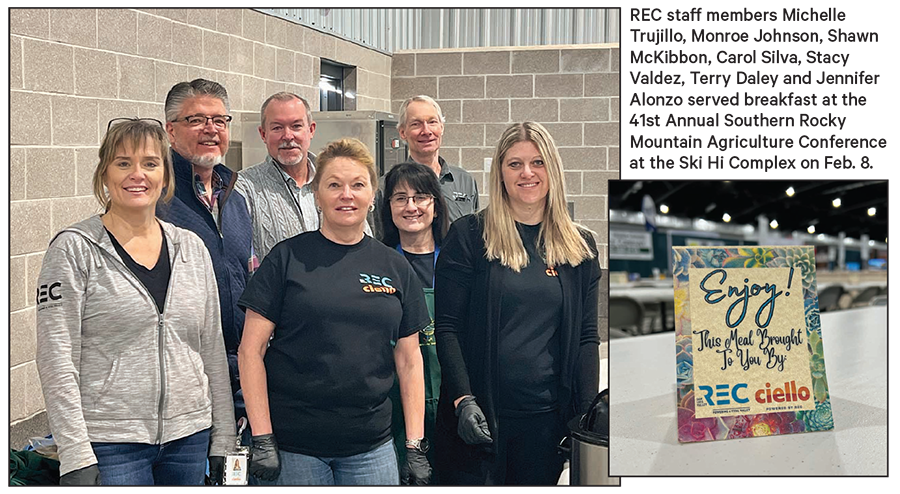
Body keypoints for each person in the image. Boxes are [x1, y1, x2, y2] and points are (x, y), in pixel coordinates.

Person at [35, 118, 235, 485]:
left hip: (189, 438)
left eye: (150, 163)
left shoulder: (191, 248)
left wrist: (223, 438)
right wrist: (75, 452)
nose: (137, 174)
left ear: (165, 175)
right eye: (123, 162)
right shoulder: (75, 249)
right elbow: (56, 358)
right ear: (105, 173)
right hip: (110, 444)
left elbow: (211, 349)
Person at [237, 138, 434, 485]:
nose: (347, 195)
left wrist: (414, 445)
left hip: (371, 448)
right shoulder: (286, 259)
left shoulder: (394, 266)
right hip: (296, 447)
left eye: (358, 185)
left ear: (372, 195)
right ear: (317, 195)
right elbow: (250, 351)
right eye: (334, 185)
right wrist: (262, 436)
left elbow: (409, 360)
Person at [433, 122, 601, 485]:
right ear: (500, 172)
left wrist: (588, 418)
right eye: (515, 164)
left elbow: (587, 337)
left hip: (547, 421)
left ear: (552, 169)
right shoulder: (470, 236)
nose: (527, 173)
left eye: (538, 162)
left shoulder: (580, 248)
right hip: (481, 418)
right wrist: (463, 399)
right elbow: (448, 328)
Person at [156, 79, 255, 422]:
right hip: (182, 374)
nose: (210, 129)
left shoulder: (236, 201)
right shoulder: (155, 201)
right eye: (196, 120)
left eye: (219, 120)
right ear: (171, 130)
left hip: (239, 372)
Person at [378, 163, 450, 478]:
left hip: (453, 406)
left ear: (435, 204)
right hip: (395, 410)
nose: (411, 207)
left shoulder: (457, 261)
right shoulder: (377, 263)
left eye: (420, 197)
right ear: (388, 208)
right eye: (400, 198)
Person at [372, 95, 479, 239]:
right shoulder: (386, 186)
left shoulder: (465, 180)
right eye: (416, 124)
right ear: (403, 133)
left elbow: (474, 234)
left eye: (432, 122)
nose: (426, 131)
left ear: (442, 128)